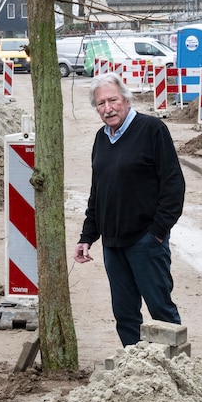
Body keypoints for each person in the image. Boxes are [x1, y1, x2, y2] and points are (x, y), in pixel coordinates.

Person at [74, 73, 186, 346]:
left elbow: (174, 186)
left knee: (160, 310)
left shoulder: (152, 130)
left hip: (145, 240)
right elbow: (97, 192)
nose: (108, 108)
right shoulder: (102, 138)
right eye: (101, 103)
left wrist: (157, 233)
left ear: (126, 99)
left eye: (113, 100)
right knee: (124, 315)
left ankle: (178, 371)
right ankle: (133, 372)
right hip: (113, 245)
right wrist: (87, 237)